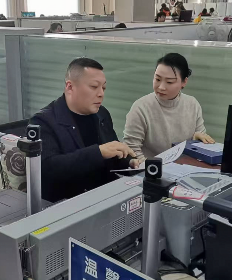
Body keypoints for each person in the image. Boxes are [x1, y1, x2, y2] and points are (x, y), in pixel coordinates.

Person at [29, 58, 138, 202]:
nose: (101, 93)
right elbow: (48, 168)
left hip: (106, 195)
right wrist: (98, 152)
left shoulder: (101, 113)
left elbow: (112, 152)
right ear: (70, 87)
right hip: (68, 202)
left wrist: (129, 162)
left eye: (103, 88)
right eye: (94, 87)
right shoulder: (43, 121)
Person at [124, 53, 214, 161]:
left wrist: (197, 140)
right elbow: (131, 150)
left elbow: (200, 140)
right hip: (150, 168)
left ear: (184, 82)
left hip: (185, 167)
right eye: (157, 79)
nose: (161, 87)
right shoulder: (141, 108)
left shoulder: (192, 104)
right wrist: (152, 167)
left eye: (169, 82)